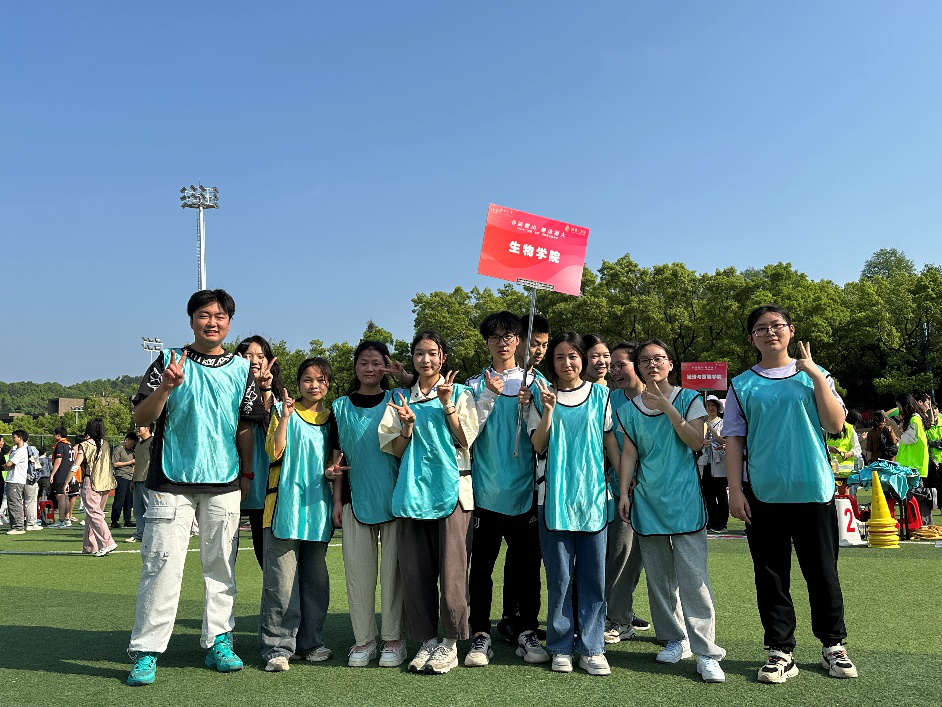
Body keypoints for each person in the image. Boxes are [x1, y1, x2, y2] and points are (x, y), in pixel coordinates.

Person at [126, 289, 263, 687]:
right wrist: (166, 388)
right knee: (161, 564)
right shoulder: (169, 360)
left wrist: (246, 474)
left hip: (224, 481)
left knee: (221, 565)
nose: (212, 322)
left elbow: (245, 426)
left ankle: (220, 641)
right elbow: (142, 417)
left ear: (229, 323)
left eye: (220, 316)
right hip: (171, 481)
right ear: (191, 320)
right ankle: (147, 651)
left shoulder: (241, 368)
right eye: (204, 315)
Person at [725, 305, 857, 683]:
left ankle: (833, 645)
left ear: (791, 330)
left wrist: (813, 373)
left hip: (814, 490)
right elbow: (734, 439)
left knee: (823, 574)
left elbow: (835, 424)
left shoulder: (817, 375)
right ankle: (780, 650)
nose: (770, 333)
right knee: (770, 577)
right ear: (751, 338)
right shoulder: (742, 384)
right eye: (761, 328)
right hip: (764, 494)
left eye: (777, 325)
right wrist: (735, 490)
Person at [617, 339, 726, 683]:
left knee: (694, 578)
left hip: (685, 501)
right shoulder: (628, 410)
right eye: (645, 360)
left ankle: (706, 651)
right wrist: (623, 492)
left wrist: (668, 407)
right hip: (647, 501)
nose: (652, 364)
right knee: (659, 578)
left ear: (670, 364)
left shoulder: (690, 399)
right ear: (638, 366)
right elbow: (630, 454)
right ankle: (674, 638)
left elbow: (695, 441)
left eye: (659, 359)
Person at [379, 330, 480, 675]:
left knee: (453, 573)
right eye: (419, 353)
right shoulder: (400, 398)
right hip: (412, 493)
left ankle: (450, 643)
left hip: (454, 494)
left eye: (433, 353)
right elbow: (395, 449)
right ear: (412, 358)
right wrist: (407, 427)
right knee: (415, 572)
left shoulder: (461, 393)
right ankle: (425, 640)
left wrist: (447, 403)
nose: (426, 359)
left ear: (443, 358)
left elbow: (465, 438)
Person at [528, 332, 618, 676]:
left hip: (593, 497)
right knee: (560, 577)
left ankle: (592, 647)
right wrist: (548, 411)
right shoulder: (541, 395)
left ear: (583, 359)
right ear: (552, 362)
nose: (567, 363)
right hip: (552, 499)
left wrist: (624, 486)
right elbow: (538, 444)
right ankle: (561, 646)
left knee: (594, 577)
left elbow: (609, 442)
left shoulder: (601, 395)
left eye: (573, 356)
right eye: (559, 357)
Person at [465, 312, 549, 668]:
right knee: (481, 568)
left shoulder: (537, 382)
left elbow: (545, 437)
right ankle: (480, 633)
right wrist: (489, 394)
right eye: (495, 337)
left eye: (509, 336)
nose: (502, 342)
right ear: (487, 342)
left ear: (519, 340)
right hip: (484, 493)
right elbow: (465, 434)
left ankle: (526, 629)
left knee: (527, 568)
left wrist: (533, 405)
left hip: (526, 493)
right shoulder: (473, 384)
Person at [330, 341, 406, 669]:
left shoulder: (398, 399)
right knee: (358, 575)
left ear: (386, 367)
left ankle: (393, 639)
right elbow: (337, 458)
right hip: (354, 501)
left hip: (395, 501)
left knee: (393, 576)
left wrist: (404, 378)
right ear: (355, 366)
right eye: (364, 362)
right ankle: (363, 640)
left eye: (377, 362)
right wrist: (336, 500)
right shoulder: (340, 407)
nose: (370, 368)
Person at [260, 357, 339, 672]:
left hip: (317, 510)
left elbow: (333, 462)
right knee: (281, 584)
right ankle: (277, 648)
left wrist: (332, 473)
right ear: (298, 383)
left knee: (315, 582)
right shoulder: (284, 411)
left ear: (328, 384)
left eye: (320, 380)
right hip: (283, 508)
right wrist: (284, 418)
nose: (314, 385)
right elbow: (273, 451)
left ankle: (311, 643)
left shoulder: (333, 419)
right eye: (308, 379)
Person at [495, 312, 550, 644]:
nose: (539, 350)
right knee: (507, 559)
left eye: (544, 344)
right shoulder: (492, 381)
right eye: (534, 343)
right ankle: (507, 617)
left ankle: (526, 620)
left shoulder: (542, 383)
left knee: (528, 559)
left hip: (534, 486)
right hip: (497, 486)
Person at [603, 342, 651, 644]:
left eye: (621, 365)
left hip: (655, 490)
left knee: (650, 560)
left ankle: (624, 614)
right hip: (619, 491)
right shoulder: (610, 400)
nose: (615, 371)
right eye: (613, 366)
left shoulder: (657, 398)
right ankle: (619, 618)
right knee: (621, 553)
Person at [235, 335, 282, 568]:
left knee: (267, 553)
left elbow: (272, 427)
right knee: (222, 554)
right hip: (231, 477)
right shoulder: (229, 387)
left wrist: (264, 389)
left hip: (263, 480)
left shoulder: (277, 395)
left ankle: (275, 593)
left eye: (260, 356)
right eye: (248, 356)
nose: (254, 361)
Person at [74, 418, 117, 556]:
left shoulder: (85, 445)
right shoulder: (106, 444)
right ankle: (89, 546)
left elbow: (76, 465)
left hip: (91, 482)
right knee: (92, 515)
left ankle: (107, 542)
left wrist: (67, 480)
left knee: (94, 514)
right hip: (105, 483)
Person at [699, 395, 729, 533]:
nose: (710, 408)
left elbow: (725, 441)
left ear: (718, 408)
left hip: (719, 462)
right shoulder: (701, 423)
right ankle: (710, 520)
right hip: (705, 462)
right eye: (708, 406)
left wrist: (713, 432)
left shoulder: (723, 423)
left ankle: (722, 522)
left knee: (721, 493)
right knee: (708, 494)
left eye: (713, 406)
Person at [127, 424, 153, 543]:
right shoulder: (138, 445)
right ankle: (140, 534)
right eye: (136, 426)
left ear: (147, 428)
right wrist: (133, 480)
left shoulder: (153, 442)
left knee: (149, 509)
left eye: (140, 426)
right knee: (138, 511)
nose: (137, 429)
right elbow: (137, 464)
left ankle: (151, 534)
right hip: (137, 480)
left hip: (148, 480)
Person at [2, 430, 31, 535]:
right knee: (11, 504)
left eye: (14, 437)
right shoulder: (15, 450)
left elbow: (9, 464)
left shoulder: (21, 451)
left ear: (20, 438)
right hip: (12, 479)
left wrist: (6, 466)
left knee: (15, 503)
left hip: (16, 480)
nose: (13, 439)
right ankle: (14, 525)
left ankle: (18, 527)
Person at [49, 427, 75, 527]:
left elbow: (58, 460)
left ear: (58, 435)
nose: (53, 436)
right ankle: (67, 519)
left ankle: (61, 520)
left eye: (54, 434)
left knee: (60, 496)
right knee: (65, 496)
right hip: (68, 474)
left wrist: (52, 474)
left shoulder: (60, 445)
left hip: (61, 474)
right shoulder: (69, 445)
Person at [111, 433, 138, 529]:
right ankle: (114, 520)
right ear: (126, 440)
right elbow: (115, 464)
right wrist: (129, 462)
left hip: (130, 477)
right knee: (119, 499)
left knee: (129, 501)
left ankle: (127, 520)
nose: (132, 445)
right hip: (121, 476)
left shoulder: (132, 451)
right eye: (131, 443)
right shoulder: (118, 449)